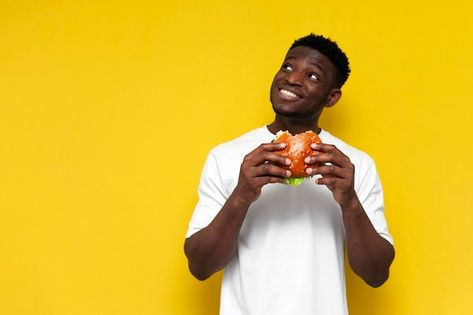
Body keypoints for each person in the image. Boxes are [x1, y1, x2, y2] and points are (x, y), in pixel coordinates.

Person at [184, 33, 395, 315]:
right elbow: (199, 266)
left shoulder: (354, 165)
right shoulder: (226, 157)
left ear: (331, 97)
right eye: (287, 66)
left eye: (313, 76)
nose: (293, 79)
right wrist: (241, 195)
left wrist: (350, 202)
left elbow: (376, 274)